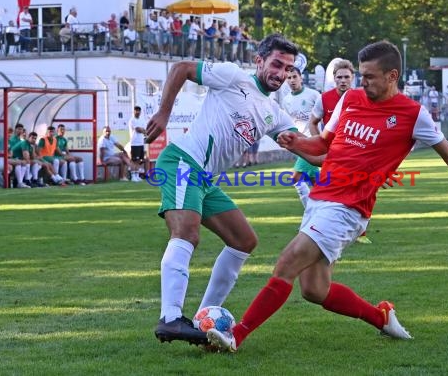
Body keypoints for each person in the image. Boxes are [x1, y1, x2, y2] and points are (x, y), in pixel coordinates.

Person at [207, 39, 448, 353]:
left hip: (348, 208)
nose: (362, 82)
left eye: (369, 76)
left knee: (287, 262)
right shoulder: (350, 99)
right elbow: (322, 145)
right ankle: (381, 317)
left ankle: (236, 336)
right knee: (314, 290)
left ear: (392, 76)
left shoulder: (412, 114)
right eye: (361, 75)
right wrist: (295, 142)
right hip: (320, 198)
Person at [144, 33, 299, 346]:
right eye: (276, 64)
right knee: (186, 234)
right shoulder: (233, 76)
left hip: (204, 179)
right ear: (260, 61)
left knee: (244, 240)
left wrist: (348, 156)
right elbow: (182, 68)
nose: (281, 74)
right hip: (182, 162)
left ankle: (204, 320)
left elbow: (308, 147)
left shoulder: (274, 113)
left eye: (287, 69)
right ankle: (171, 318)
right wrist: (164, 113)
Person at [309, 59, 372, 245]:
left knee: (362, 189)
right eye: (339, 77)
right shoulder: (324, 98)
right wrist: (319, 143)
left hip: (357, 155)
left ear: (353, 78)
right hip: (332, 155)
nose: (343, 80)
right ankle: (319, 228)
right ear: (334, 79)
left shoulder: (364, 97)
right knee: (328, 192)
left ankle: (360, 232)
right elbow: (313, 122)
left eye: (346, 77)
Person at [282, 66, 320, 206]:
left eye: (294, 77)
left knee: (296, 179)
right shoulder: (286, 100)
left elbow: (323, 116)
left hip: (312, 142)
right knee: (319, 184)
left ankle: (310, 213)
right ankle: (330, 205)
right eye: (289, 78)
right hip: (299, 143)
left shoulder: (314, 95)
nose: (292, 80)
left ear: (301, 77)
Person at [128, 106, 147, 182]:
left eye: (139, 111)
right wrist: (142, 130)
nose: (137, 112)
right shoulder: (132, 120)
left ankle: (137, 174)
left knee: (139, 160)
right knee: (134, 160)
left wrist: (142, 130)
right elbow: (138, 129)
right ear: (134, 111)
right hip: (134, 142)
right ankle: (133, 175)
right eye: (136, 111)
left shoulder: (142, 120)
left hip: (141, 142)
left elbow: (144, 130)